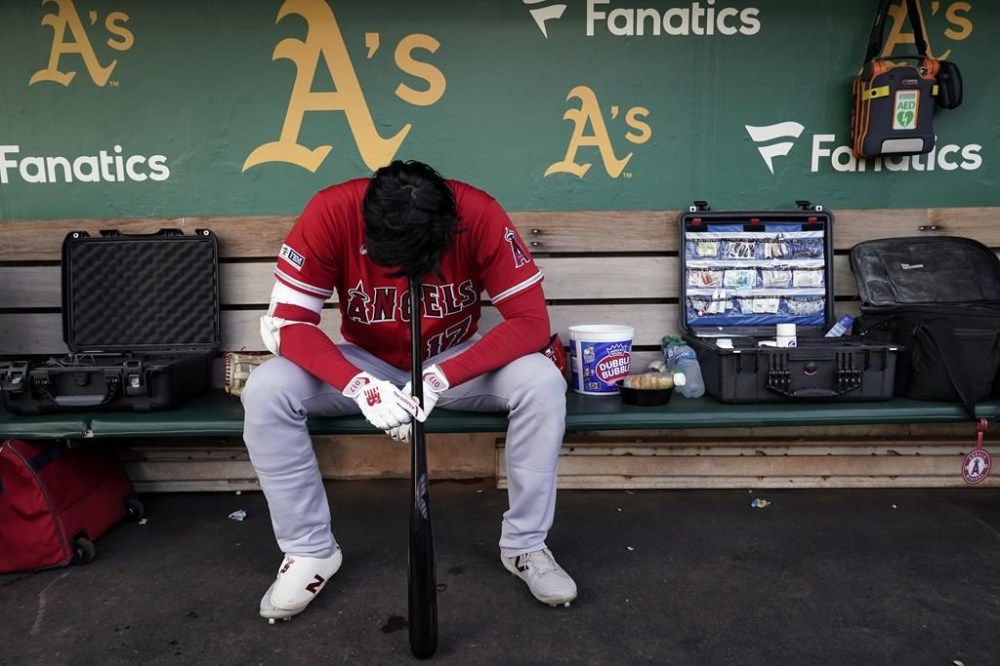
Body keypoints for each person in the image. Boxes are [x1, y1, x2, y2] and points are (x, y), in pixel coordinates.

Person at [241, 160, 577, 622]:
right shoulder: (332, 210)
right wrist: (358, 385)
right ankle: (311, 551)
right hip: (364, 360)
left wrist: (442, 377)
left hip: (452, 359)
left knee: (542, 382)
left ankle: (525, 545)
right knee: (265, 389)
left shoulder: (477, 213)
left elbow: (532, 321)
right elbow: (288, 322)